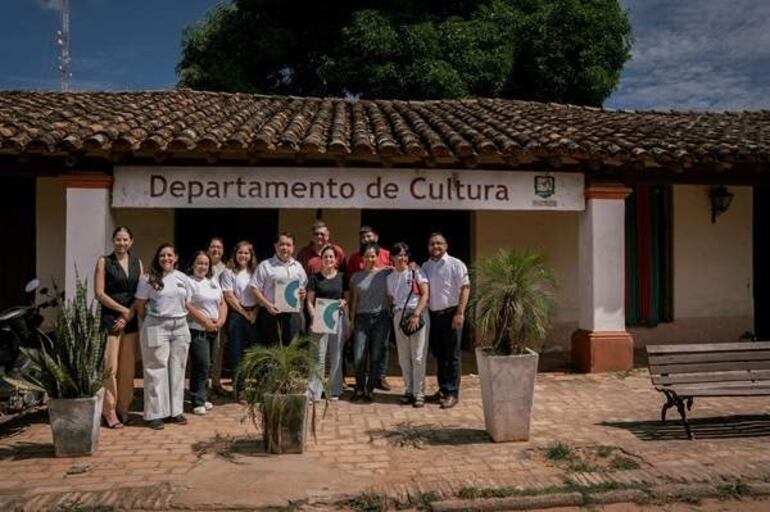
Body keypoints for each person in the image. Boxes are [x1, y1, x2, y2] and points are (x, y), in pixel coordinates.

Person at [135, 243, 192, 430]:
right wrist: (151, 321)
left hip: (180, 326)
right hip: (156, 325)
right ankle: (155, 414)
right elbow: (140, 305)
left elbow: (187, 302)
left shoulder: (183, 278)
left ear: (176, 258)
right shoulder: (147, 279)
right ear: (157, 258)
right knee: (155, 370)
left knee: (178, 369)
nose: (166, 258)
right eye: (162, 255)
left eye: (169, 255)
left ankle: (176, 411)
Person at [94, 226, 143, 429]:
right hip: (110, 320)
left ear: (131, 242)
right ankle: (109, 411)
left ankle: (124, 409)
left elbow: (141, 292)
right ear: (113, 241)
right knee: (110, 368)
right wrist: (122, 310)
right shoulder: (104, 261)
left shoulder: (137, 263)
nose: (121, 243)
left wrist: (128, 314)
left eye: (125, 240)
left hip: (130, 320)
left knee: (128, 368)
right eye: (118, 239)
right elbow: (99, 293)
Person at [421, 233, 470, 409]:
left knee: (453, 355)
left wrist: (460, 313)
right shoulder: (426, 266)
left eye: (439, 243)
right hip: (434, 316)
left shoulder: (456, 264)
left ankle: (452, 393)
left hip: (452, 314)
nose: (436, 246)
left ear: (446, 245)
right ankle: (443, 389)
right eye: (432, 243)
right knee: (440, 355)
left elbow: (465, 288)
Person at [346, 226, 393, 391]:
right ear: (362, 257)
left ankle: (373, 385)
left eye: (373, 256)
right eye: (367, 256)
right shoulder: (355, 275)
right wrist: (351, 320)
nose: (370, 258)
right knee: (359, 355)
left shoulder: (386, 271)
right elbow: (353, 299)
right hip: (361, 318)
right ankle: (360, 388)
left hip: (381, 317)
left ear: (377, 256)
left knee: (377, 354)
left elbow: (402, 274)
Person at [386, 242, 430, 408]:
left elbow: (425, 294)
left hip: (417, 313)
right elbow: (392, 298)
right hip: (399, 315)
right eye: (399, 255)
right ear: (392, 257)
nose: (402, 258)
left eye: (405, 255)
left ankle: (419, 393)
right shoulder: (389, 277)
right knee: (404, 357)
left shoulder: (416, 271)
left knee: (418, 356)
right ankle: (409, 390)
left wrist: (417, 314)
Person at [186, 251, 227, 416]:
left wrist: (221, 320)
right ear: (193, 264)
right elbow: (188, 306)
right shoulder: (189, 281)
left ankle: (203, 396)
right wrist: (205, 322)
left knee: (209, 364)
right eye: (199, 263)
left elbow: (222, 302)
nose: (202, 267)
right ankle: (197, 400)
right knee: (201, 364)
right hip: (197, 329)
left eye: (206, 264)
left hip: (214, 329)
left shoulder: (213, 281)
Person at [306, 245, 349, 402]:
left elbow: (347, 297)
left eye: (331, 256)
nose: (328, 259)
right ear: (321, 259)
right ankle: (314, 392)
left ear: (336, 260)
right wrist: (314, 317)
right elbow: (309, 301)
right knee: (318, 356)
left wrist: (344, 302)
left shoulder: (342, 277)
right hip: (319, 319)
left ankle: (334, 390)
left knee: (336, 355)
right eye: (326, 256)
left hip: (337, 318)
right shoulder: (314, 278)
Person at [250, 232, 308, 345]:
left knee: (292, 349)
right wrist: (267, 305)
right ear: (275, 246)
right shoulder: (265, 265)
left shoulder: (298, 267)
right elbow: (254, 288)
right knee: (272, 349)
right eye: (282, 244)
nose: (285, 248)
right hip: (271, 314)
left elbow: (302, 288)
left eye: (288, 245)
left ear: (293, 247)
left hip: (292, 315)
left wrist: (302, 294)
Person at [219, 241, 258, 390]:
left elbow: (261, 292)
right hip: (237, 314)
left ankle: (256, 386)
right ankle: (239, 388)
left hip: (255, 313)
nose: (243, 256)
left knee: (256, 350)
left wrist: (255, 312)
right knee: (236, 352)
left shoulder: (256, 271)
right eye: (240, 252)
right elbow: (229, 296)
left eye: (246, 253)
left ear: (251, 255)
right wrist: (245, 314)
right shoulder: (229, 272)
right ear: (235, 254)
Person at [207, 237, 228, 395]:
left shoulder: (226, 269)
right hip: (202, 315)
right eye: (213, 247)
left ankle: (215, 382)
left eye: (219, 247)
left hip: (220, 314)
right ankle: (201, 384)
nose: (216, 250)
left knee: (218, 350)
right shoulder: (202, 265)